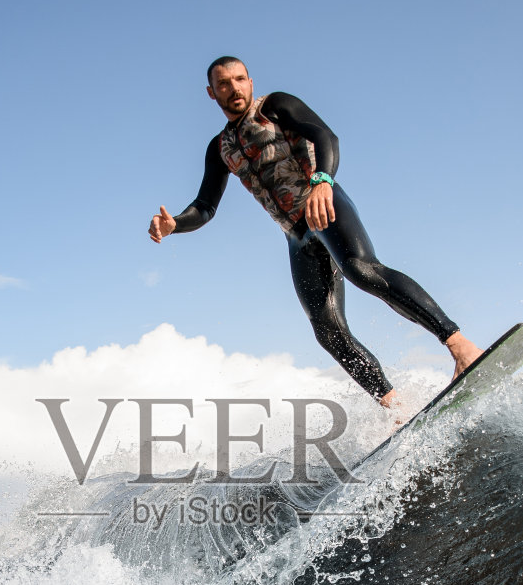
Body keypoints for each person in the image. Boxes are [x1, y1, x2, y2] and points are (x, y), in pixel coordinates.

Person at [148, 56, 481, 411]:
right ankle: (396, 408)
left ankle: (462, 348)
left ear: (250, 81)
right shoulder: (219, 148)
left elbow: (325, 135)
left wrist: (323, 181)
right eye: (224, 84)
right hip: (296, 235)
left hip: (323, 204)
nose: (234, 88)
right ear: (211, 93)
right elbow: (205, 206)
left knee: (362, 270)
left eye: (240, 79)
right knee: (327, 330)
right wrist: (175, 224)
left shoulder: (275, 106)